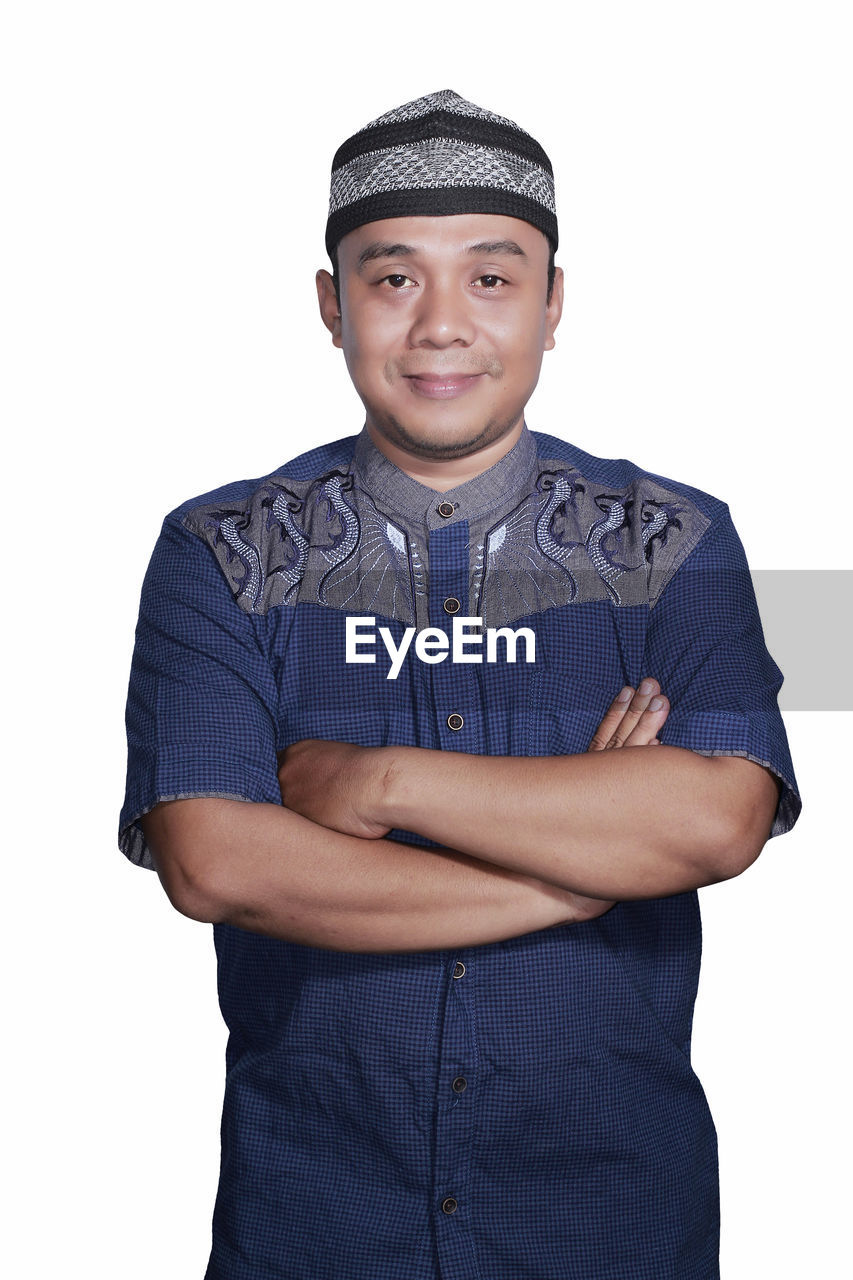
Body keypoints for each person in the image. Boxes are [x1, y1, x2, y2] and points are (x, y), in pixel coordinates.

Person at [119, 90, 800, 1280]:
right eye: (392, 279)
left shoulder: (678, 543)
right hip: (311, 1229)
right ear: (330, 305)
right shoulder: (219, 550)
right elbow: (217, 862)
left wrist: (371, 780)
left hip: (612, 1228)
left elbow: (717, 819)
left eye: (490, 278)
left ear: (553, 303)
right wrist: (578, 868)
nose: (440, 326)